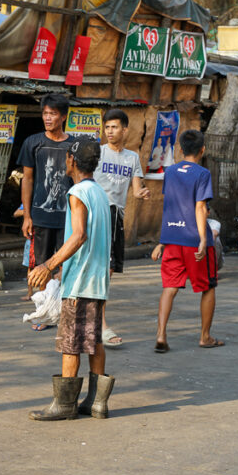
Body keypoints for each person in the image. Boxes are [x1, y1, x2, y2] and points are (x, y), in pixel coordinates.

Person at [27, 138, 113, 421]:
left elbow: (78, 235)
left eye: (67, 157)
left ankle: (65, 404)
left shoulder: (78, 192)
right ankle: (97, 403)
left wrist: (49, 265)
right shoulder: (100, 193)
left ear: (72, 161)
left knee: (70, 342)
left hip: (81, 281)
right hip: (97, 281)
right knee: (94, 339)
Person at [150, 129, 223, 352]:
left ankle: (161, 335)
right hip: (193, 238)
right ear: (203, 150)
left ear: (180, 149)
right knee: (208, 287)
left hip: (172, 238)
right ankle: (205, 336)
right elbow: (200, 206)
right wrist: (203, 238)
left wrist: (162, 241)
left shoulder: (170, 172)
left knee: (170, 287)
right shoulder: (202, 174)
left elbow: (171, 205)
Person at [93, 108, 151, 348]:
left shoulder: (132, 158)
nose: (110, 131)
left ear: (125, 130)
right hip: (97, 213)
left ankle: (96, 320)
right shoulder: (97, 152)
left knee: (108, 272)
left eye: (114, 127)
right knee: (100, 271)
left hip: (116, 216)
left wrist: (142, 193)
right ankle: (101, 324)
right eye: (107, 127)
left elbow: (135, 190)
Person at [17, 93, 82, 299]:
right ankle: (44, 310)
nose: (47, 118)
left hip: (68, 217)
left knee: (69, 264)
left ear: (63, 117)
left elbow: (81, 183)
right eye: (45, 113)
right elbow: (27, 179)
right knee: (41, 266)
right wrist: (27, 216)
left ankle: (64, 309)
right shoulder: (32, 143)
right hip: (41, 216)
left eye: (52, 114)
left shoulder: (75, 145)